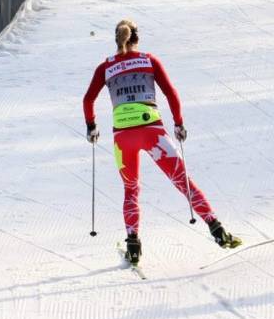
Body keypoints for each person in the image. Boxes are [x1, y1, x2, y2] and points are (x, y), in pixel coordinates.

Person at [82, 18, 239, 265]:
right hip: (152, 132)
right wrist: (178, 123)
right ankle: (216, 229)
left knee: (131, 190)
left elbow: (88, 100)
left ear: (117, 40)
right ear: (136, 39)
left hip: (123, 137)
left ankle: (133, 245)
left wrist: (91, 126)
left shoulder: (106, 67)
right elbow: (171, 93)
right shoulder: (149, 60)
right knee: (182, 182)